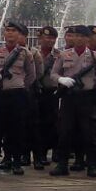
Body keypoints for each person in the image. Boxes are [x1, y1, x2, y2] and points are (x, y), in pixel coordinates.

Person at [49, 25, 96, 178]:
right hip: (68, 98)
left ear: (88, 39)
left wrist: (91, 88)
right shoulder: (64, 55)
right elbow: (53, 74)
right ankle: (62, 164)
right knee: (65, 132)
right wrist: (61, 79)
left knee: (89, 133)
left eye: (82, 36)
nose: (78, 39)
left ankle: (91, 165)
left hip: (86, 98)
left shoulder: (95, 57)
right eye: (76, 36)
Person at [0, 21, 33, 176]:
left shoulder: (25, 53)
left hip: (16, 95)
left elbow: (31, 75)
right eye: (7, 30)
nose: (10, 33)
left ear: (19, 35)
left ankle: (16, 162)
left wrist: (20, 85)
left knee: (16, 130)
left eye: (13, 31)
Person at [31, 26, 60, 169]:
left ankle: (52, 151)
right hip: (36, 92)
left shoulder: (59, 55)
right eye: (46, 38)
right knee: (36, 124)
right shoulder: (31, 53)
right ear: (39, 38)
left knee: (52, 123)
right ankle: (38, 153)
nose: (49, 40)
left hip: (52, 92)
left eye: (52, 38)